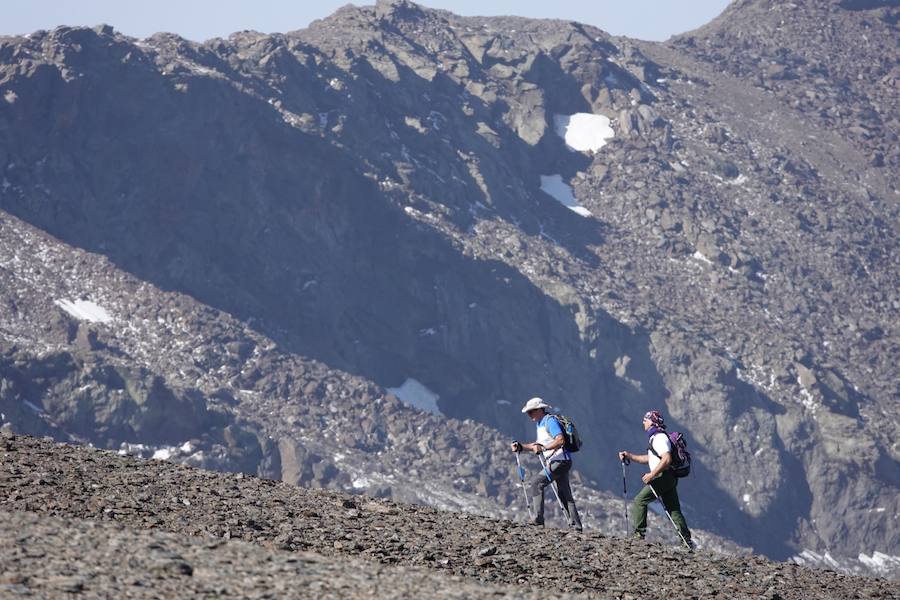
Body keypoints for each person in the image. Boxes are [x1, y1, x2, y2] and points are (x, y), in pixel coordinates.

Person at [618, 410, 692, 547]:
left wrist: (652, 475)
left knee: (639, 501)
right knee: (673, 509)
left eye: (645, 420)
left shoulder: (659, 438)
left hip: (662, 476)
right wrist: (629, 456)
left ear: (652, 422)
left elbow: (667, 458)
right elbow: (650, 458)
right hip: (669, 477)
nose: (643, 422)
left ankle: (638, 536)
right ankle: (686, 541)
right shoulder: (657, 438)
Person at [510, 397, 583, 531]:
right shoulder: (541, 424)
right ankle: (576, 527)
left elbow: (560, 440)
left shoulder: (550, 422)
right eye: (528, 413)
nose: (529, 415)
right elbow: (537, 445)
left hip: (559, 461)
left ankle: (538, 520)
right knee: (564, 494)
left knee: (537, 483)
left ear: (539, 409)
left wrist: (543, 449)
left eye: (531, 412)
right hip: (559, 461)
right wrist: (521, 447)